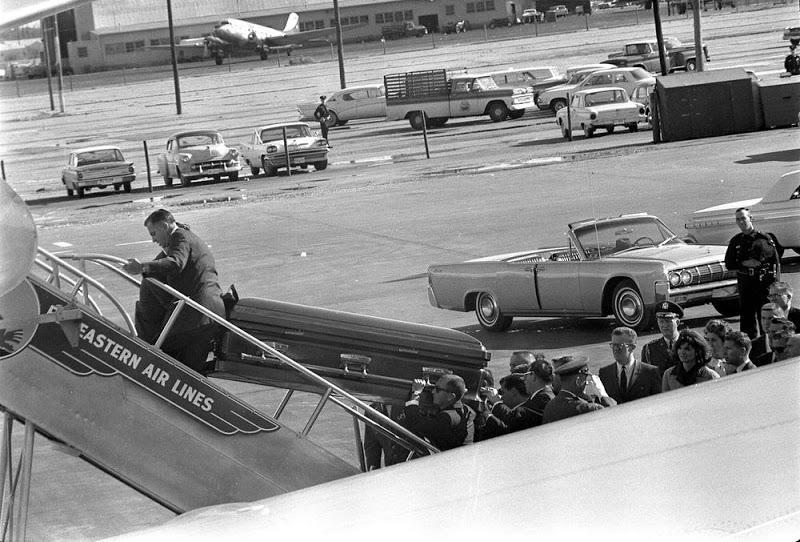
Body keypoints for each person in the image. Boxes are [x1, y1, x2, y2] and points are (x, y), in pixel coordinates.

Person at [122, 209, 225, 373]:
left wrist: (142, 266)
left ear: (164, 226)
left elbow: (176, 263)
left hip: (196, 314)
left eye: (154, 233)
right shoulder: (184, 239)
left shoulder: (180, 237)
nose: (153, 239)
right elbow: (162, 265)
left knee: (164, 355)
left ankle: (145, 346)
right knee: (189, 371)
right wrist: (145, 269)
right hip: (204, 315)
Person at [724, 207, 780, 339]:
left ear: (751, 218)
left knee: (766, 317)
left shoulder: (764, 238)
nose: (741, 222)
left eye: (743, 218)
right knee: (747, 318)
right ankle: (752, 348)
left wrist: (776, 285)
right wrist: (744, 263)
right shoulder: (736, 241)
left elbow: (775, 262)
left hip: (763, 283)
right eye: (738, 219)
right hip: (746, 283)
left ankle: (769, 346)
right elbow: (729, 264)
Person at [402, 374, 475, 452]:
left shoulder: (448, 417)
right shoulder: (464, 409)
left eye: (437, 389)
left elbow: (417, 423)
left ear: (450, 396)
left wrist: (415, 393)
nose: (433, 392)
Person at [542, 354, 616, 424]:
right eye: (585, 377)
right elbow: (614, 416)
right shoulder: (588, 409)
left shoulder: (549, 407)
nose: (586, 382)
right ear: (578, 381)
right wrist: (602, 393)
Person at [599, 327, 661, 404]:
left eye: (619, 346)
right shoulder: (605, 373)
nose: (615, 349)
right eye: (613, 345)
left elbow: (658, 403)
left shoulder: (650, 372)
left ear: (632, 347)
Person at [481, 374, 540, 438]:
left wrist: (494, 404)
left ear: (513, 392)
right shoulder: (532, 405)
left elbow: (507, 430)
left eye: (503, 392)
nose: (501, 397)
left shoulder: (526, 412)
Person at [641, 301, 683, 377]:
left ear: (677, 322)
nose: (664, 325)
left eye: (668, 321)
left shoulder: (687, 343)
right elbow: (646, 377)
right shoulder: (649, 349)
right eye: (661, 322)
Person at [521, 358, 556, 426]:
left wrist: (496, 401)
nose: (523, 379)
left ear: (533, 376)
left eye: (526, 375)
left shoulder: (543, 398)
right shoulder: (546, 394)